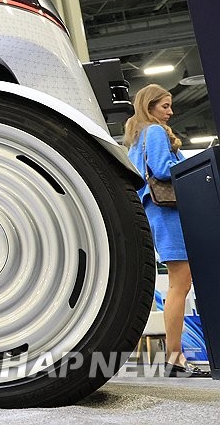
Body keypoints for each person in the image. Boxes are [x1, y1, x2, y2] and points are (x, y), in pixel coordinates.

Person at [123, 84, 207, 377]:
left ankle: (175, 357)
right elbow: (161, 169)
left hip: (155, 212)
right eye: (165, 106)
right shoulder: (155, 131)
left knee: (178, 284)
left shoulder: (137, 137)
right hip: (168, 213)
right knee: (179, 285)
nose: (171, 112)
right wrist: (189, 166)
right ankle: (175, 358)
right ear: (149, 107)